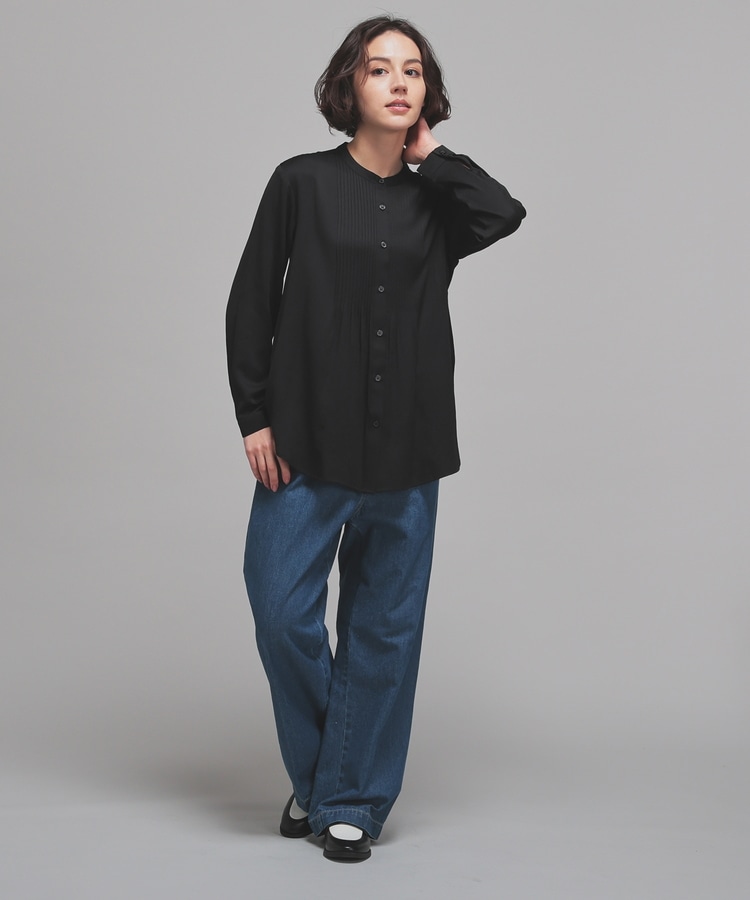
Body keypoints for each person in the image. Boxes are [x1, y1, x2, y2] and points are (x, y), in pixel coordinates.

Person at [226, 15, 525, 863]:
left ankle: (347, 799)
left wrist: (433, 156)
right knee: (280, 611)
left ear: (428, 91)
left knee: (384, 630)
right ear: (347, 85)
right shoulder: (301, 182)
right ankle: (333, 773)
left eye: (413, 70)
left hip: (408, 450)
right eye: (379, 68)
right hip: (306, 443)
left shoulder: (441, 201)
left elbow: (504, 212)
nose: (398, 82)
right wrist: (255, 414)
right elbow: (251, 299)